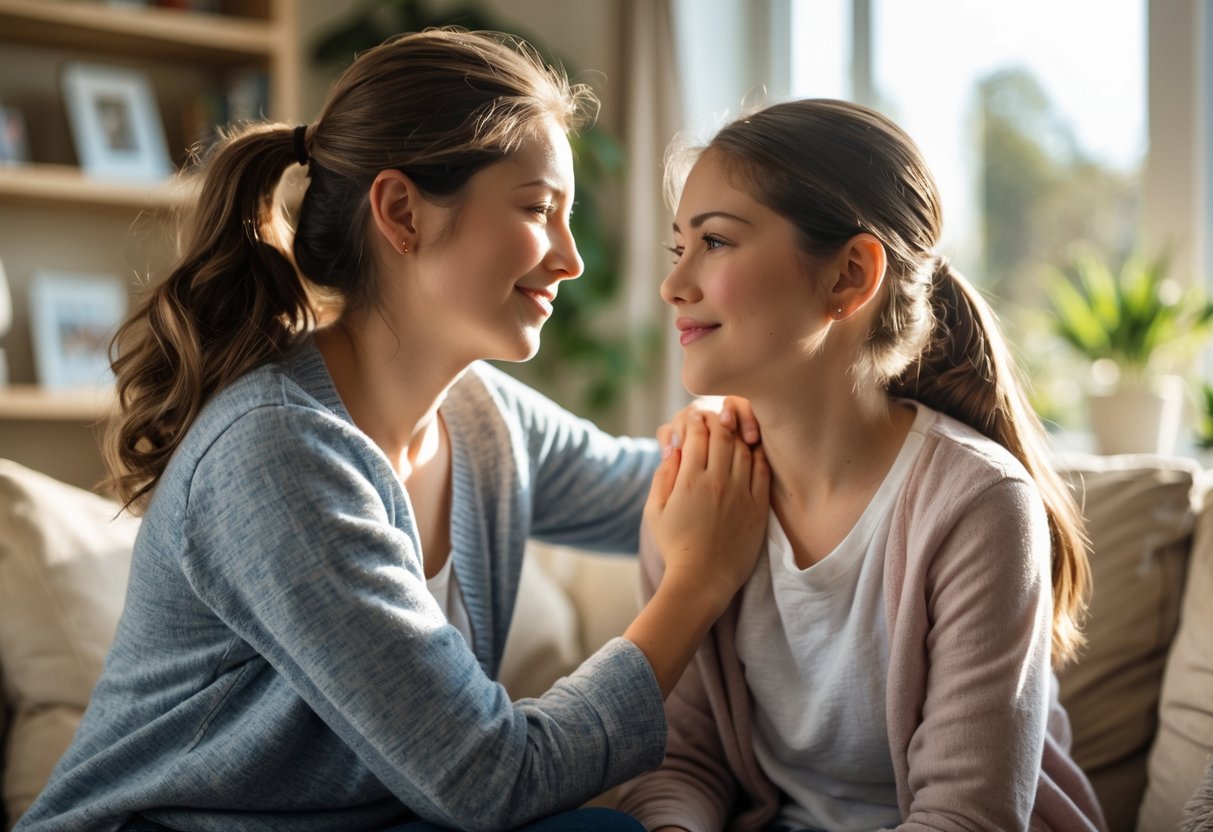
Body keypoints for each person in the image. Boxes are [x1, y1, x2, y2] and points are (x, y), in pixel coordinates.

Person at [15, 29, 770, 832]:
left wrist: (796, 411)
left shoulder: (484, 420)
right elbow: (487, 778)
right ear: (402, 212)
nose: (569, 259)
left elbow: (664, 486)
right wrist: (695, 584)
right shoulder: (275, 454)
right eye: (537, 210)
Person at [616, 98, 1108, 831]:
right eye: (677, 248)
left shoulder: (977, 504)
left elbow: (966, 818)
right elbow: (684, 763)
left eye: (715, 243)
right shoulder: (698, 488)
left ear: (849, 276)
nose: (673, 285)